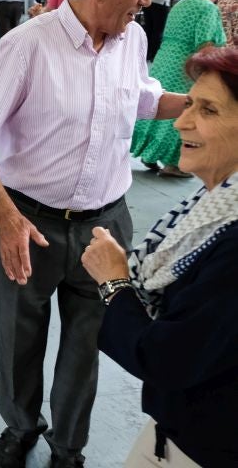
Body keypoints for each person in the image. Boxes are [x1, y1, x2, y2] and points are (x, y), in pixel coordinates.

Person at [0, 0, 188, 468]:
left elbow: (142, 98)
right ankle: (19, 427)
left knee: (89, 343)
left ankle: (68, 448)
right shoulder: (27, 45)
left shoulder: (132, 38)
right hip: (29, 222)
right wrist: (6, 218)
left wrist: (206, 100)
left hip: (106, 224)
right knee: (20, 337)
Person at [81, 47, 238, 468]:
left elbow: (167, 358)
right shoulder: (214, 207)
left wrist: (115, 281)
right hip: (177, 431)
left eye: (208, 110)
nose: (182, 121)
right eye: (189, 104)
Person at [131, 0, 225, 178]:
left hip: (165, 61)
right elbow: (205, 44)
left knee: (160, 104)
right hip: (185, 66)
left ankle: (150, 154)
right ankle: (174, 164)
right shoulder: (207, 7)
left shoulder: (181, 4)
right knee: (184, 109)